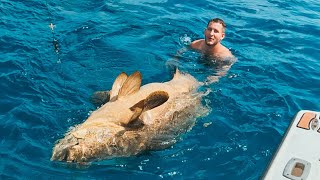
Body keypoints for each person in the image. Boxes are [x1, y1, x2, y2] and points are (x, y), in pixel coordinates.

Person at [168, 18, 236, 83]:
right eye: (209, 29)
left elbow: (218, 75)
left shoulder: (225, 56)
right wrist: (173, 60)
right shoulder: (196, 44)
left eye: (216, 31)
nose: (211, 34)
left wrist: (205, 83)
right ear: (205, 31)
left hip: (213, 68)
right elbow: (180, 52)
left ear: (222, 36)